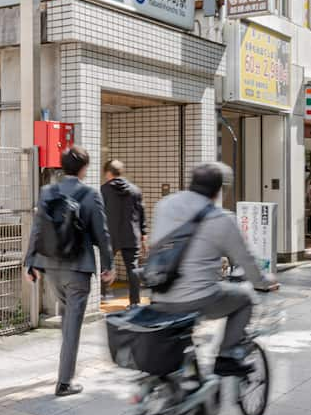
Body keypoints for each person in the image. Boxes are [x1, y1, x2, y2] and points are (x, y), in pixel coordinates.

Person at [149, 162, 278, 377]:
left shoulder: (164, 205)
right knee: (245, 298)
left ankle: (185, 382)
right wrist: (264, 281)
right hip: (198, 297)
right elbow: (246, 261)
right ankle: (226, 356)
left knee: (185, 340)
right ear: (219, 190)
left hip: (159, 294)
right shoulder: (221, 218)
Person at [24, 146, 115, 397]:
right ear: (84, 168)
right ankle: (64, 382)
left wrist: (30, 262)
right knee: (73, 326)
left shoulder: (48, 191)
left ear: (63, 167)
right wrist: (108, 265)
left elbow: (38, 228)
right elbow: (102, 233)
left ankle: (66, 367)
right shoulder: (89, 194)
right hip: (78, 269)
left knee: (67, 319)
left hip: (51, 267)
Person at [102, 159, 147, 306]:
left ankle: (102, 295)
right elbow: (142, 215)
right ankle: (135, 302)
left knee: (105, 265)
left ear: (108, 173)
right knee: (133, 269)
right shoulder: (135, 190)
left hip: (111, 235)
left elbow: (100, 214)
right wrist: (143, 236)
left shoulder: (104, 190)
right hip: (131, 235)